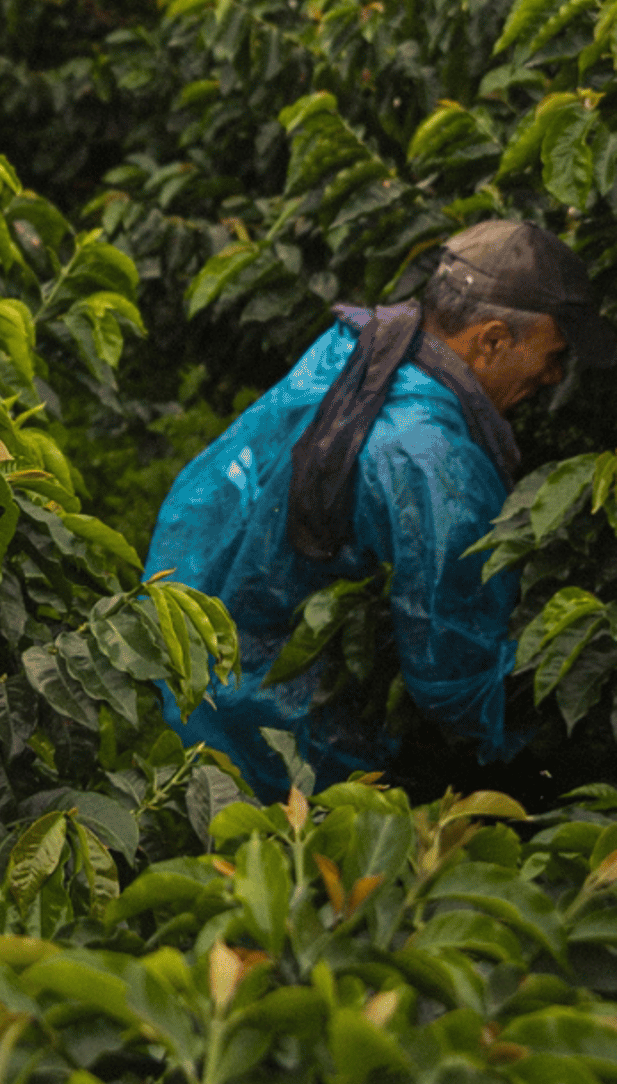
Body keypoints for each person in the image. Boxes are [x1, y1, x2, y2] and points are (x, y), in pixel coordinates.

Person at [147, 219, 616, 795]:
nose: (554, 376)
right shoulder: (433, 460)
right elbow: (457, 677)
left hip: (188, 658)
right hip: (274, 737)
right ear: (492, 339)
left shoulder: (360, 348)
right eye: (554, 355)